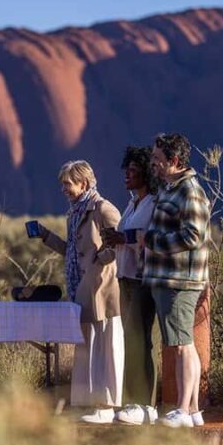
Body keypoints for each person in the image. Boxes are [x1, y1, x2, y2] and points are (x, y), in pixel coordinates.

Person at [36, 160, 124, 424]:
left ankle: (106, 405)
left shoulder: (102, 208)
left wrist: (101, 259)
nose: (64, 189)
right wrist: (45, 236)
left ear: (83, 183)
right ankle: (90, 404)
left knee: (106, 344)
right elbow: (72, 251)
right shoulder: (75, 212)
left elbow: (122, 243)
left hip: (102, 289)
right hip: (81, 287)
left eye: (68, 184)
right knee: (87, 344)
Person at [143, 133, 210, 428]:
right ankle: (192, 409)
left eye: (158, 159)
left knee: (181, 344)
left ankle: (183, 409)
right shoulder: (170, 189)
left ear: (174, 161)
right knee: (182, 342)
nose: (153, 164)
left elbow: (193, 235)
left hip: (180, 279)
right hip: (167, 279)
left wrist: (153, 241)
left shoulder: (189, 191)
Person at [101, 146, 159, 425]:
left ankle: (144, 403)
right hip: (124, 278)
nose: (127, 174)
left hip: (142, 280)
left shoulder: (154, 202)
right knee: (130, 340)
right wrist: (116, 237)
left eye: (133, 171)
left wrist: (122, 237)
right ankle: (131, 400)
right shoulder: (133, 202)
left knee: (140, 340)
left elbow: (149, 236)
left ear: (146, 173)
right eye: (127, 169)